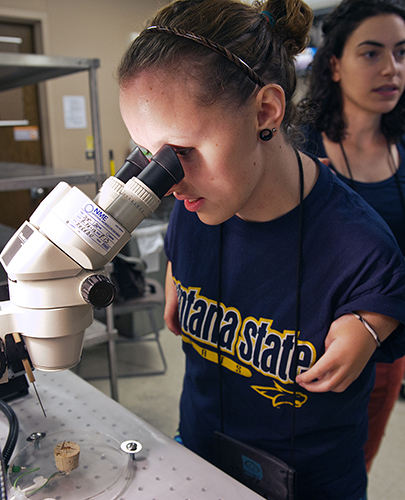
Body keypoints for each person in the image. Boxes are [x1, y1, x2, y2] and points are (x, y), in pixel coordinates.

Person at [117, 0, 405, 498]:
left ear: (265, 111)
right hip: (202, 459)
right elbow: (178, 270)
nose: (166, 183)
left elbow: (387, 293)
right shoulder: (195, 212)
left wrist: (372, 322)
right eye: (149, 155)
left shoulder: (361, 246)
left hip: (308, 484)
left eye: (181, 151)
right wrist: (175, 276)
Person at [299, 0, 405, 473]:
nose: (391, 68)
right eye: (371, 53)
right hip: (295, 349)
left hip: (383, 354)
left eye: (402, 53)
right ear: (335, 64)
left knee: (350, 468)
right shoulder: (294, 148)